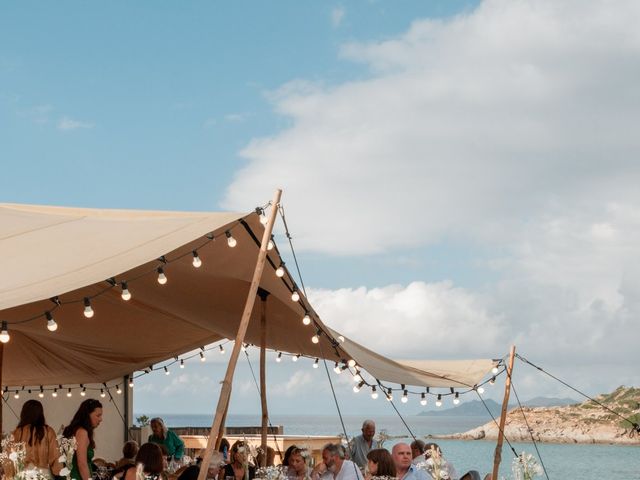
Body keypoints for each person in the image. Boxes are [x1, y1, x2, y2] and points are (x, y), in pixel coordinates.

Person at [11, 400, 63, 479]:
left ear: (24, 413)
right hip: (43, 475)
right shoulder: (48, 431)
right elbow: (55, 456)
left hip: (23, 475)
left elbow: (11, 458)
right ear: (41, 414)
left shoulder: (17, 432)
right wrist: (59, 473)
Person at [62, 398, 103, 480]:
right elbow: (82, 464)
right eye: (98, 415)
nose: (101, 419)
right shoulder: (82, 432)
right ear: (87, 415)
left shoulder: (75, 430)